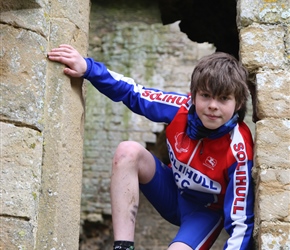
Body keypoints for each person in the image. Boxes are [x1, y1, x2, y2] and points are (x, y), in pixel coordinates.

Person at [48, 44, 254, 250]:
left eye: (223, 98)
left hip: (204, 213)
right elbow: (134, 93)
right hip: (170, 190)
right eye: (206, 96)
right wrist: (88, 68)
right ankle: (123, 247)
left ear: (237, 104)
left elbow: (241, 224)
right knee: (128, 151)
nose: (213, 106)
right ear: (193, 95)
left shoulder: (239, 148)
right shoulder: (180, 108)